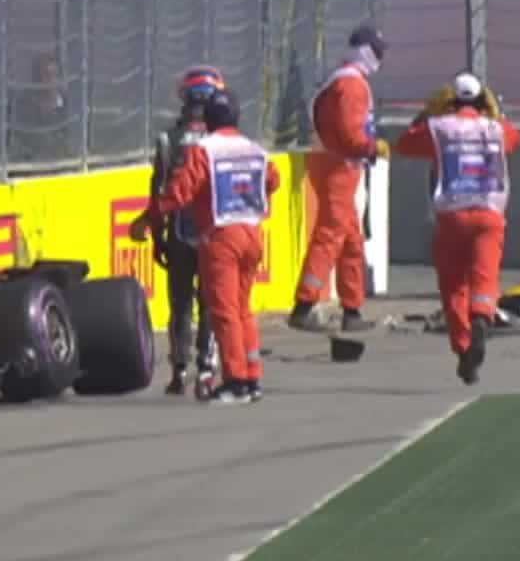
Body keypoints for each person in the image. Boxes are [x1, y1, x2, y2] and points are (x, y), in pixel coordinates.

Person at [146, 88, 281, 406]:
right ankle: (252, 377)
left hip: (221, 237)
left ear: (207, 120)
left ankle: (235, 381)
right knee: (243, 309)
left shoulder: (203, 151)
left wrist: (149, 218)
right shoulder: (254, 149)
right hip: (252, 234)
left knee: (224, 312)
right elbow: (273, 180)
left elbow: (179, 192)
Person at [393, 72, 520, 386]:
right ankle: (481, 318)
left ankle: (463, 348)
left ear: (450, 100)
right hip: (489, 213)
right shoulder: (496, 128)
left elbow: (404, 144)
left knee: (453, 286)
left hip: (451, 215)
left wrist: (427, 112)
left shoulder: (437, 128)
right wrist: (494, 113)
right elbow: (515, 139)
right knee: (484, 278)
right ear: (481, 100)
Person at [129, 66, 226, 395]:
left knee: (180, 302)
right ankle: (207, 366)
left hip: (179, 231)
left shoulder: (168, 139)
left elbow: (158, 192)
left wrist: (157, 237)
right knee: (210, 302)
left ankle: (179, 369)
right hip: (213, 232)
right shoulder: (221, 140)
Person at [291, 24, 390, 334]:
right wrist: (372, 147)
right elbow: (350, 133)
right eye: (377, 51)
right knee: (332, 233)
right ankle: (304, 305)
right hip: (339, 166)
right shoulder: (352, 85)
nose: (380, 58)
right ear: (366, 51)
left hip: (335, 163)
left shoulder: (340, 79)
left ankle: (352, 309)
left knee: (350, 239)